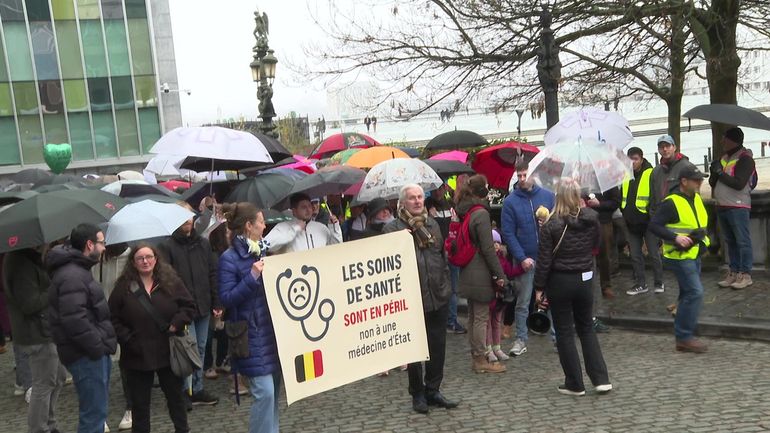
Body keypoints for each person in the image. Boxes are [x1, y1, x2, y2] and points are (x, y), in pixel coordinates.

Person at [384, 184, 458, 414]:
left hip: (438, 295)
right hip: (411, 298)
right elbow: (386, 263)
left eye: (419, 197)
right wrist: (399, 241)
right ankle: (417, 393)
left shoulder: (432, 224)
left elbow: (441, 257)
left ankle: (433, 389)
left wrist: (445, 286)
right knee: (415, 350)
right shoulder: (392, 229)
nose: (417, 201)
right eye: (412, 198)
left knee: (438, 347)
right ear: (402, 203)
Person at [534, 179, 611, 396]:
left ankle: (574, 383)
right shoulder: (592, 219)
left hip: (560, 280)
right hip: (585, 278)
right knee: (586, 328)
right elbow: (597, 245)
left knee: (565, 332)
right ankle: (601, 378)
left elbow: (544, 260)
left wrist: (539, 287)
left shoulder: (551, 225)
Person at [109, 244, 195, 433]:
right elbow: (112, 318)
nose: (145, 261)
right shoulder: (123, 288)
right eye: (140, 258)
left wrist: (176, 323)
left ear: (156, 259)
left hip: (168, 351)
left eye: (149, 257)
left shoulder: (170, 281)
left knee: (176, 400)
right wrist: (128, 339)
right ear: (133, 262)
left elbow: (188, 306)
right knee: (140, 406)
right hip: (137, 354)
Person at [47, 223, 117, 433]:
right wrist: (97, 346)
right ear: (89, 244)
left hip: (88, 353)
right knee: (93, 416)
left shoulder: (76, 271)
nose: (104, 247)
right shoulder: (72, 276)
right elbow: (74, 320)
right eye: (102, 242)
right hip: (86, 355)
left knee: (96, 413)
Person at [218, 202, 281, 433]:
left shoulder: (263, 249)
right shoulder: (229, 258)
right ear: (249, 226)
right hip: (249, 334)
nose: (265, 226)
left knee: (273, 392)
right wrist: (252, 276)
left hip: (271, 333)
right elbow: (226, 298)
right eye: (261, 221)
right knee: (264, 393)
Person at [158, 203, 222, 408]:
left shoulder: (203, 244)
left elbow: (212, 273)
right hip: (182, 308)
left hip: (202, 304)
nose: (188, 221)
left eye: (189, 216)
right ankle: (185, 390)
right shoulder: (167, 247)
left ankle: (198, 387)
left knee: (201, 347)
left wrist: (216, 301)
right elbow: (166, 279)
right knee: (187, 349)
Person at [4, 244, 68, 433]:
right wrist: (54, 289)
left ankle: (49, 423)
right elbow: (30, 303)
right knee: (44, 383)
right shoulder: (20, 263)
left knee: (58, 377)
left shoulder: (29, 258)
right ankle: (39, 428)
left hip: (46, 330)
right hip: (37, 334)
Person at [649, 166, 711, 353]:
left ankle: (684, 329)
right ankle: (684, 336)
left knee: (687, 293)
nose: (700, 182)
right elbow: (654, 226)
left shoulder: (696, 198)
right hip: (679, 256)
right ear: (684, 181)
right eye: (696, 180)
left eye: (701, 179)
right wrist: (675, 237)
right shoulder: (671, 202)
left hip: (694, 253)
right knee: (695, 292)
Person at [501, 160, 555, 357]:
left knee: (553, 299)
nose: (522, 179)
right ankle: (521, 339)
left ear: (533, 174)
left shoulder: (548, 196)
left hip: (548, 257)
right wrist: (521, 257)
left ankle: (558, 338)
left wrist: (548, 221)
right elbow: (508, 233)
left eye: (525, 175)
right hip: (526, 259)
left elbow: (558, 222)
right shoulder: (510, 201)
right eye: (519, 176)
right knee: (523, 301)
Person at [454, 175, 507, 374]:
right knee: (481, 317)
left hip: (468, 269)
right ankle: (480, 358)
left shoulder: (465, 210)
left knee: (473, 315)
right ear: (480, 190)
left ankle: (477, 356)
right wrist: (499, 274)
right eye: (486, 186)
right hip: (480, 271)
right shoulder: (481, 214)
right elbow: (487, 248)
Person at [709, 127, 756, 289]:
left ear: (732, 140)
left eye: (724, 138)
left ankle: (745, 274)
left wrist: (720, 173)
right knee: (730, 241)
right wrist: (714, 172)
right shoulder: (724, 158)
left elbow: (739, 183)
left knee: (742, 241)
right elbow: (713, 183)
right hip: (722, 205)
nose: (722, 141)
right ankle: (734, 271)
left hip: (738, 206)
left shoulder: (745, 159)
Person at [622, 147, 664, 295]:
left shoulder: (650, 173)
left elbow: (657, 197)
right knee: (635, 255)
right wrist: (624, 212)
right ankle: (641, 283)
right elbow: (624, 195)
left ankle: (659, 282)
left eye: (635, 159)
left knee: (654, 253)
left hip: (648, 222)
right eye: (630, 159)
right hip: (631, 221)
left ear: (641, 159)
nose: (633, 163)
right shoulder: (626, 174)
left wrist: (653, 217)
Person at [426, 182, 466, 334]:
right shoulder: (426, 206)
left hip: (452, 252)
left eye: (440, 188)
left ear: (445, 189)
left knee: (454, 289)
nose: (437, 192)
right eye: (435, 189)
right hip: (436, 254)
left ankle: (452, 320)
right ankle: (441, 319)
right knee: (437, 288)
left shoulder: (451, 205)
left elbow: (457, 227)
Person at [264, 193, 342, 254]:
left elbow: (336, 249)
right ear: (294, 211)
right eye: (304, 207)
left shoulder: (321, 227)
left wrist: (334, 227)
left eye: (309, 206)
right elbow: (267, 245)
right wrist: (295, 230)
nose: (308, 210)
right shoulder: (283, 227)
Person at [488, 230, 524, 362]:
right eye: (493, 242)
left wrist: (522, 268)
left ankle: (497, 347)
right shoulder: (487, 259)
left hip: (500, 297)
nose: (496, 245)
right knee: (487, 324)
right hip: (491, 294)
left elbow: (509, 272)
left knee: (497, 322)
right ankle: (488, 349)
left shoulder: (502, 258)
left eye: (498, 242)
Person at [584, 187, 621, 299]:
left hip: (604, 222)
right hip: (586, 222)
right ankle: (586, 286)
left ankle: (606, 286)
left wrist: (599, 204)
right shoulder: (584, 180)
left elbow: (616, 202)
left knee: (605, 256)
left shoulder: (608, 182)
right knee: (585, 256)